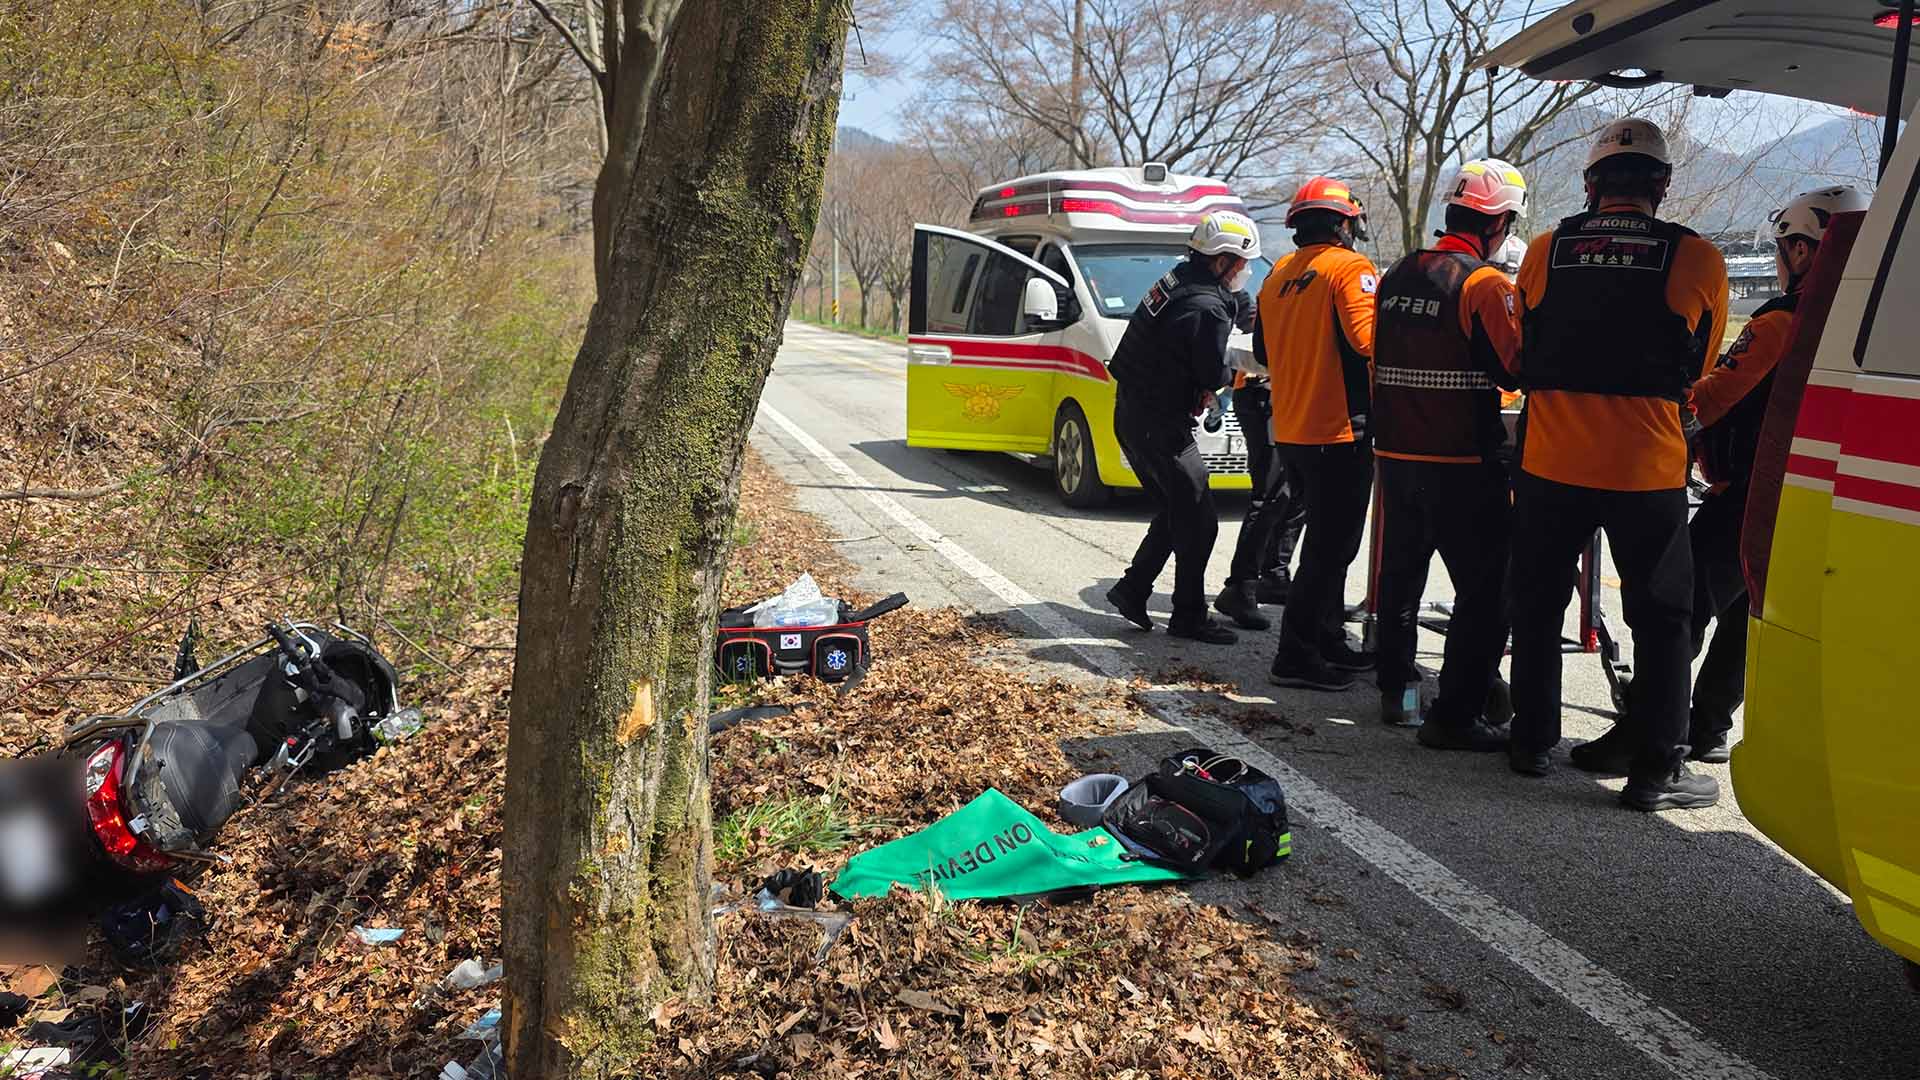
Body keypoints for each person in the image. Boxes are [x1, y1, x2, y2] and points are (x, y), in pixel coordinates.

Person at [1505, 118, 1730, 811]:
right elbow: (1704, 362)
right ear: (1661, 186)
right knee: (1663, 619)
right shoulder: (1697, 258)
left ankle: (1531, 741)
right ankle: (1656, 771)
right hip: (1645, 467)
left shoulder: (1546, 249)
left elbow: (1523, 340)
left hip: (1551, 459)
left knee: (1538, 603)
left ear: (1591, 186)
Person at [1684, 185, 1868, 762]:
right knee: (1748, 613)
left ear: (1806, 251)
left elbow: (1714, 398)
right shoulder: (1856, 324)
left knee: (1681, 604)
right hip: (1814, 495)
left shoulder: (1781, 321)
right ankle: (1709, 725)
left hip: (1749, 490)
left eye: (1787, 246)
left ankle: (1653, 720)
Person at [1370, 159, 1527, 748]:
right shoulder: (1485, 284)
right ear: (1500, 223)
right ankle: (1459, 710)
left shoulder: (1397, 274)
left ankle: (1397, 693)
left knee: (1399, 580)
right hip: (1462, 463)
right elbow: (1513, 365)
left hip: (1397, 456)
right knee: (1486, 591)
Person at [1103, 209, 1262, 645]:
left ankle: (1133, 589)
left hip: (1134, 414)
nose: (1245, 273)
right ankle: (1188, 615)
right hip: (1160, 424)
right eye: (1243, 263)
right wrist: (1246, 369)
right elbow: (1212, 371)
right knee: (1200, 517)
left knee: (1180, 509)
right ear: (1224, 260)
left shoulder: (1180, 279)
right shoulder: (1206, 305)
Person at [1262, 177, 1380, 690]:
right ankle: (1296, 652)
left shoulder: (1277, 275)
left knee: (1324, 544)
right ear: (1344, 224)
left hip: (1292, 429)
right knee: (1332, 549)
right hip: (1340, 431)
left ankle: (1328, 636)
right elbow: (1368, 342)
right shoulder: (1350, 268)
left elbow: (1265, 353)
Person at [1212, 367, 1308, 630]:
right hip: (1265, 394)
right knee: (1270, 497)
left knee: (1294, 492)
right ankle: (1240, 588)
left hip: (1292, 394)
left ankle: (1274, 576)